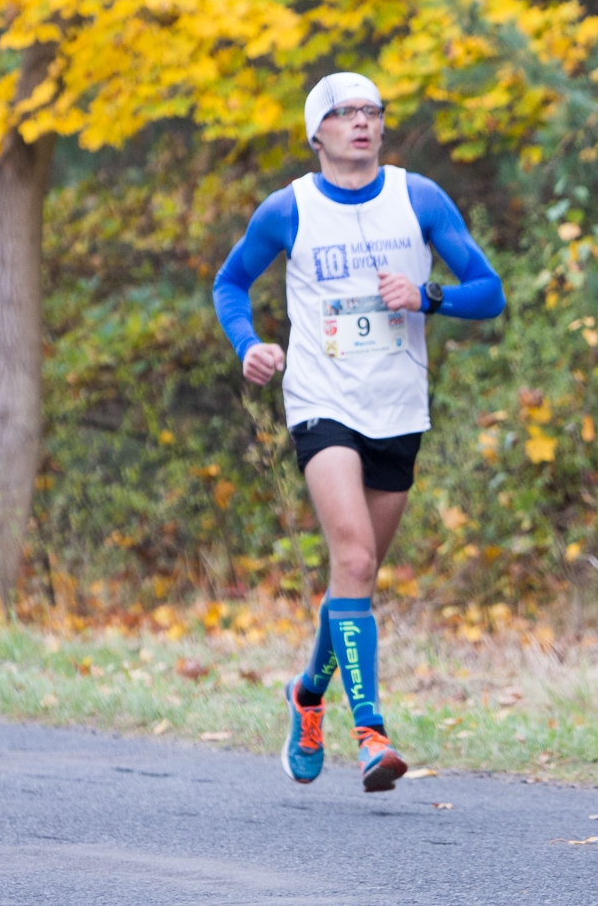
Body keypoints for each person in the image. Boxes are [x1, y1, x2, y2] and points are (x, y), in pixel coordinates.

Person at [213, 72, 505, 792]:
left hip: (398, 406)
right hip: (321, 400)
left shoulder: (419, 198)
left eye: (372, 111)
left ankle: (307, 693)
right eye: (345, 113)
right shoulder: (289, 209)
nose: (362, 122)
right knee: (352, 553)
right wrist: (248, 344)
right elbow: (230, 283)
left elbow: (490, 292)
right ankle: (371, 734)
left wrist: (429, 296)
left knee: (358, 574)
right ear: (317, 132)